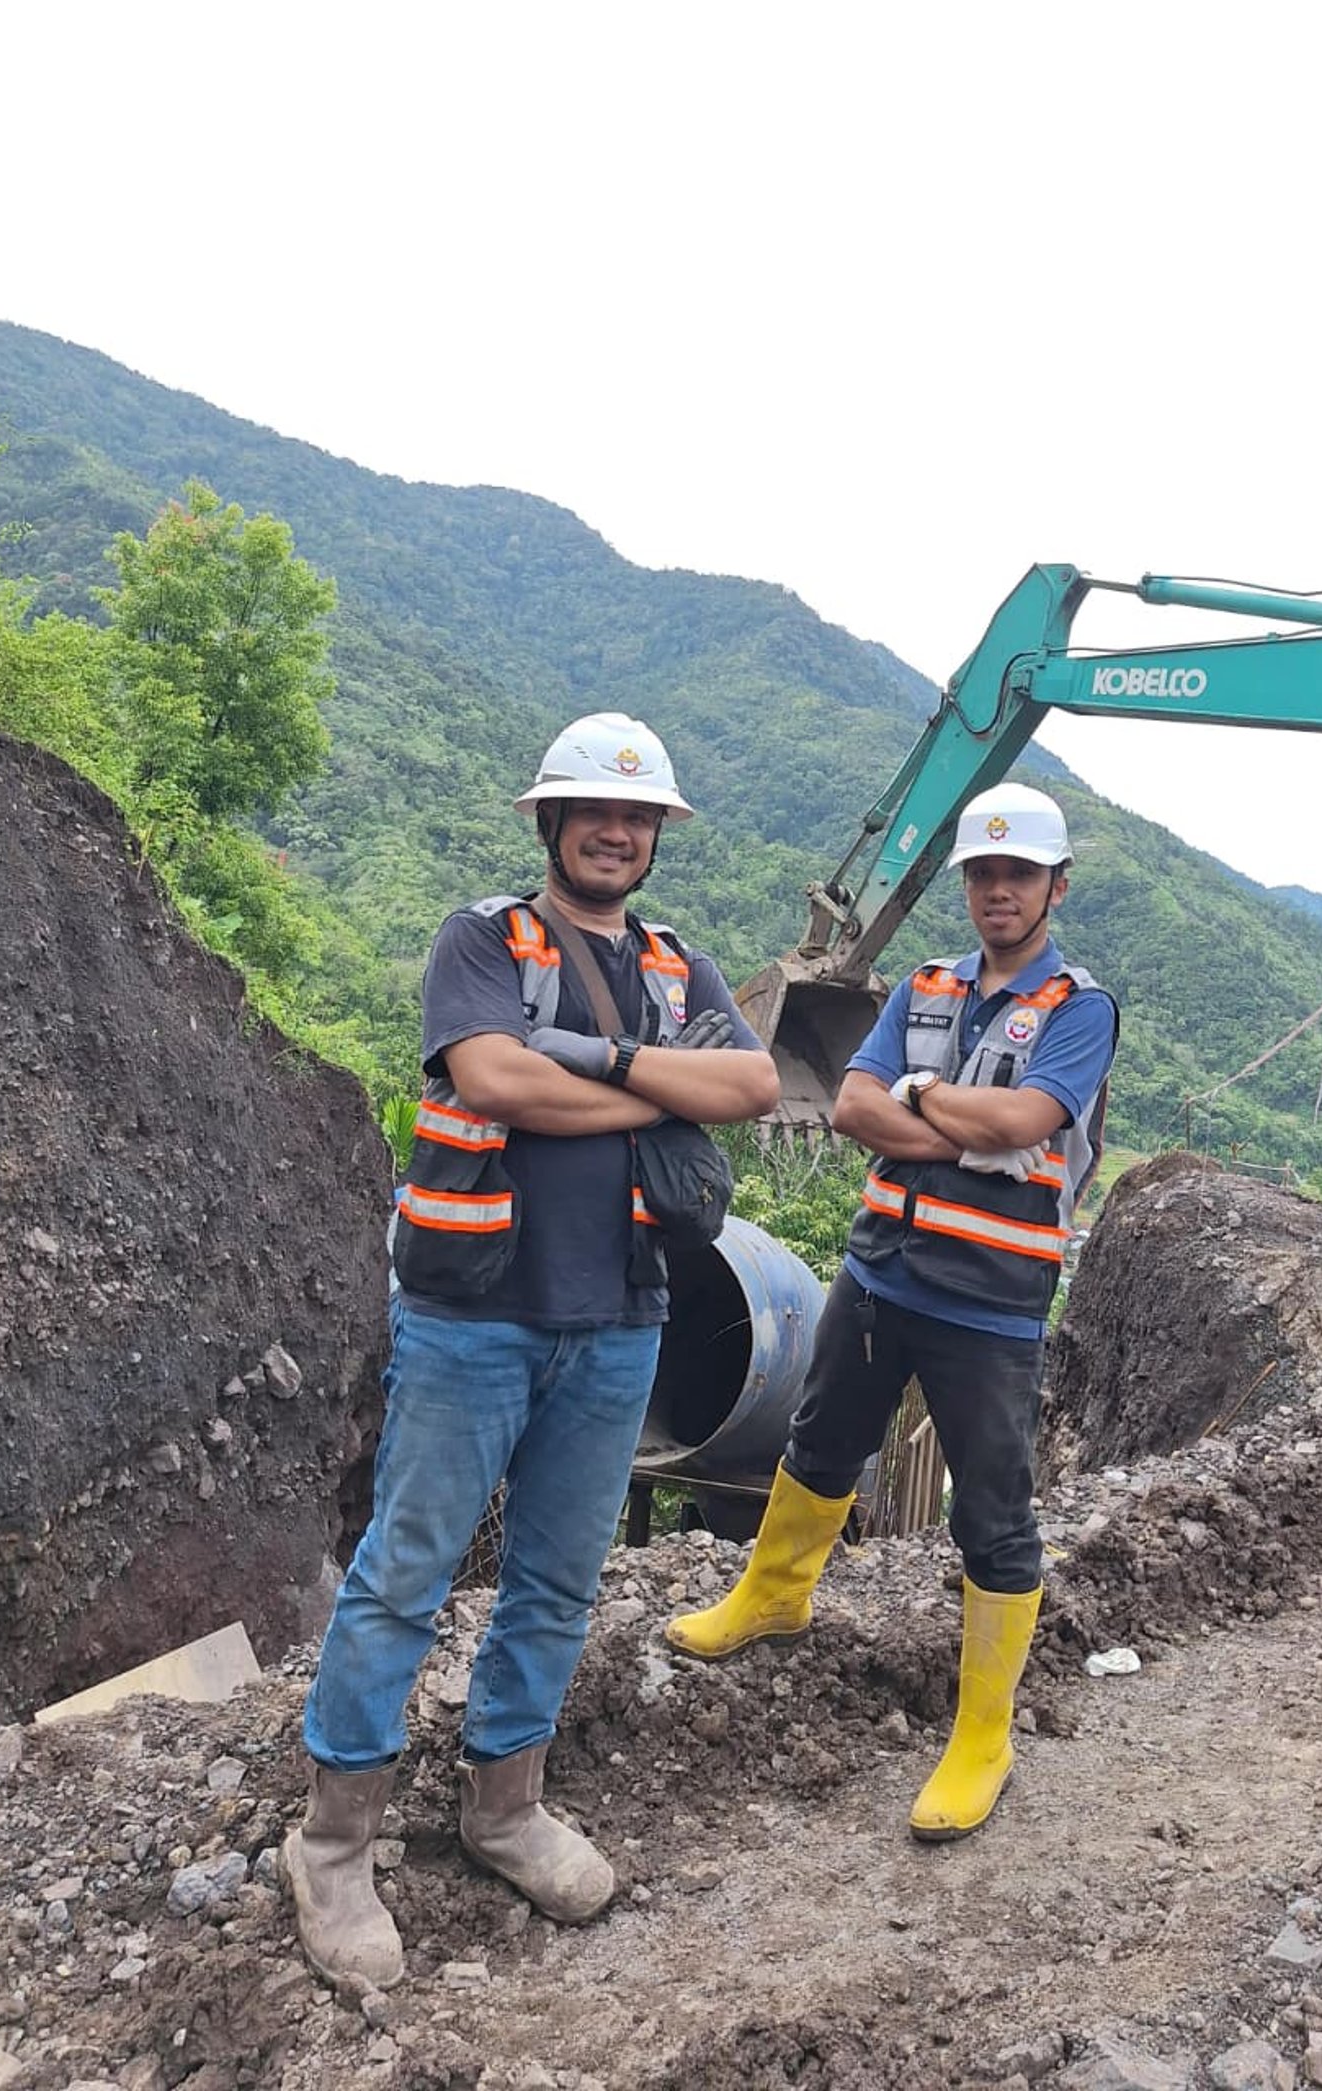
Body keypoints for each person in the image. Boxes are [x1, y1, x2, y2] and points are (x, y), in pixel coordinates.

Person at [286, 712, 779, 1989]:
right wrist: (652, 1078)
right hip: (474, 1317)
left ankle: (503, 1808)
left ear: (657, 835)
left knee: (559, 1583)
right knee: (404, 1573)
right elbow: (496, 1078)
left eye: (638, 818)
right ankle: (333, 1845)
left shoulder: (681, 965)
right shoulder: (484, 939)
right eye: (593, 813)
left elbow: (755, 1090)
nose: (616, 832)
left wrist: (604, 1061)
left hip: (622, 1321)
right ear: (551, 823)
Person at [665, 781, 1118, 1842]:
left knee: (992, 1512)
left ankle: (982, 1736)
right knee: (821, 1441)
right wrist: (956, 1124)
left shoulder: (1079, 1008)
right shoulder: (920, 984)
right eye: (983, 873)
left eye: (1018, 874)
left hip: (990, 1297)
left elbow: (1030, 1116)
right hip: (880, 1272)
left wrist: (919, 1103)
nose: (997, 890)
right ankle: (774, 1593)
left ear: (1056, 885)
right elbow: (857, 1106)